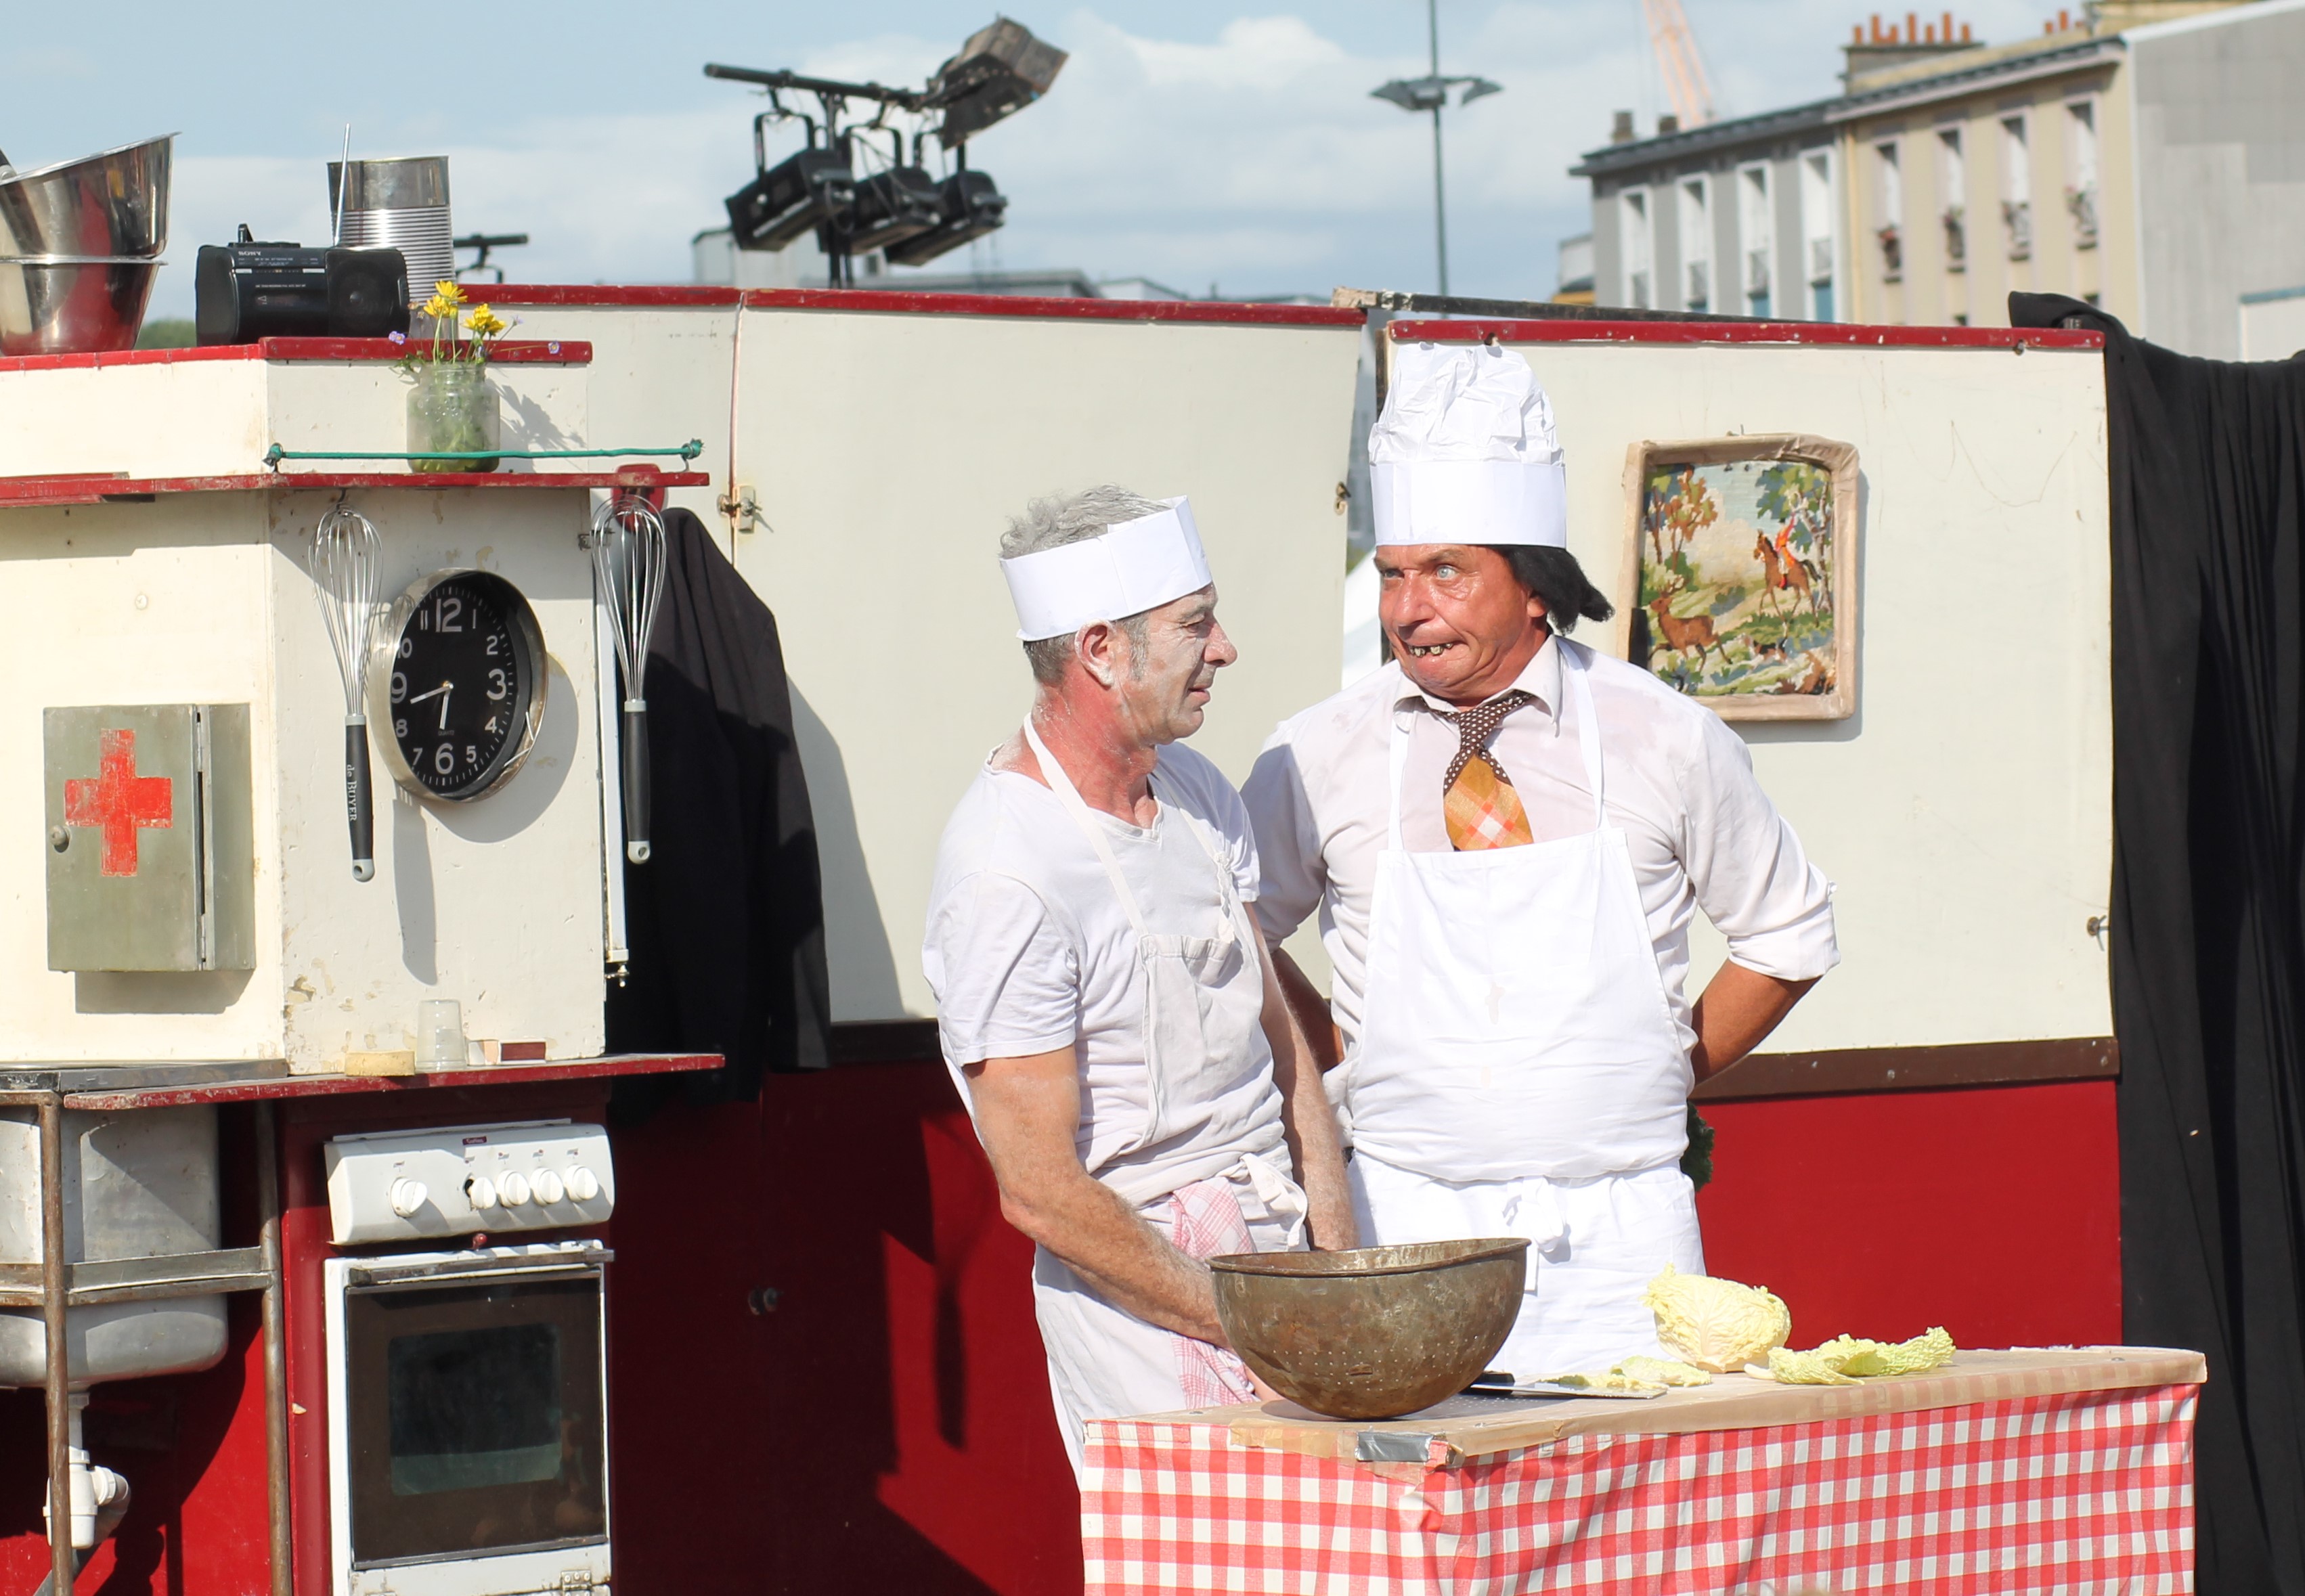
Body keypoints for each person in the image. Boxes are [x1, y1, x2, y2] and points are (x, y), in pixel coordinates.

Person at [1243, 343, 1837, 1378]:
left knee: (1641, 1527)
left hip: (1623, 1242)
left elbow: (1786, 933)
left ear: (1532, 586)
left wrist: (1658, 1065)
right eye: (1390, 575)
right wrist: (1341, 1050)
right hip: (1403, 1227)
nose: (1405, 609)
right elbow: (1239, 929)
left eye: (1443, 573)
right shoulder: (1315, 752)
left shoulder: (1665, 734)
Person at [923, 485, 1355, 1472]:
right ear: (1100, 652)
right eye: (1195, 625)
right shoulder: (1007, 869)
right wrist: (1249, 1325)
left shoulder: (1195, 791)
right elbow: (1039, 1191)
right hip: (1146, 1309)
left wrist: (1331, 1268)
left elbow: (1281, 1039)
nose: (1226, 648)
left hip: (1280, 1261)